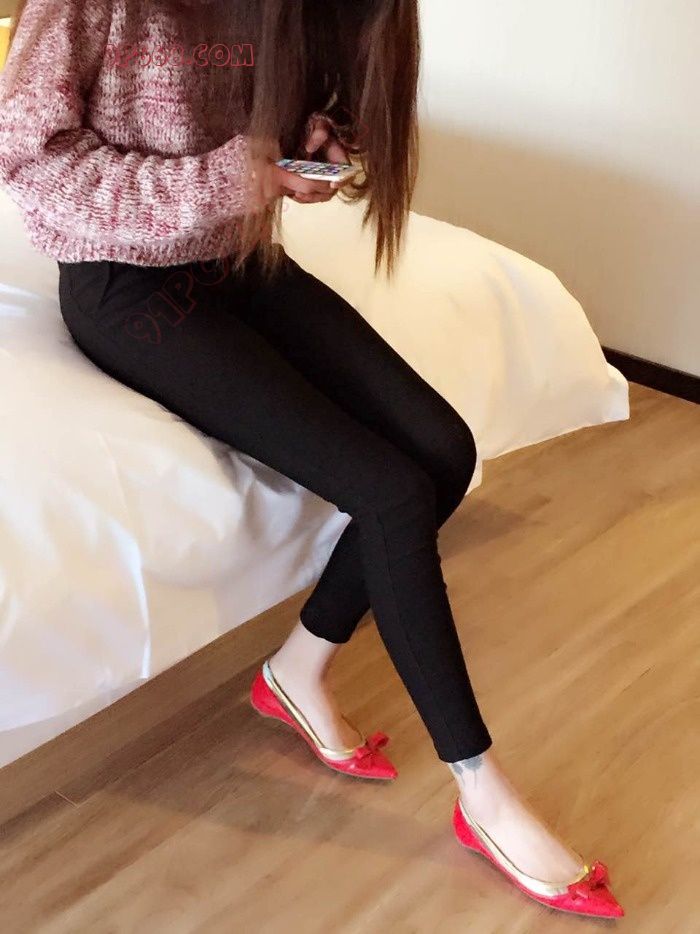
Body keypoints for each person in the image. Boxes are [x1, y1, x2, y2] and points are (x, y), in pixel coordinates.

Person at [0, 0, 622, 918]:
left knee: (443, 450)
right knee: (391, 491)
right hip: (126, 286)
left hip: (238, 256)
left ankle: (295, 670)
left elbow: (261, 125)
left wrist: (306, 146)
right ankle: (483, 791)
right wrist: (234, 177)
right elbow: (32, 166)